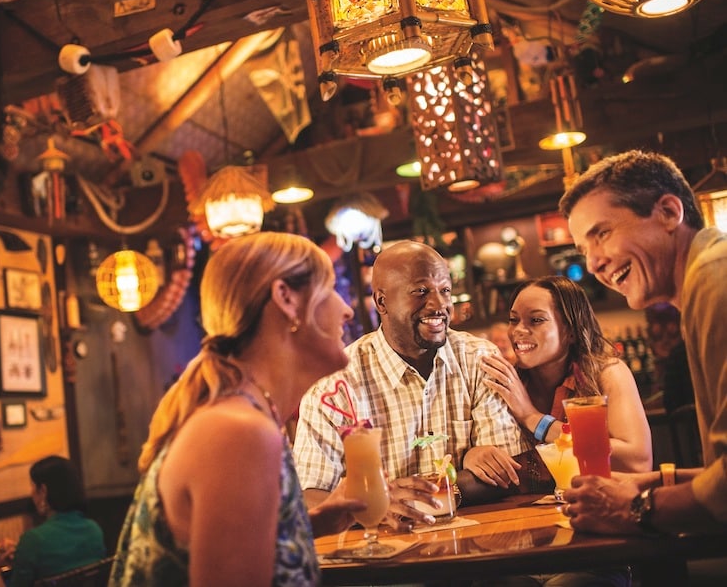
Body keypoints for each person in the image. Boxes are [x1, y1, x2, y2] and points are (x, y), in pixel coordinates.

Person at [109, 232, 370, 586]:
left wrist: (307, 527)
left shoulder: (244, 415)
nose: (347, 308)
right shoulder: (239, 432)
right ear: (286, 298)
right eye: (329, 288)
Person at [293, 240, 531, 527]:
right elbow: (310, 495)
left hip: (480, 552)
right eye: (421, 291)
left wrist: (415, 498)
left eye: (445, 291)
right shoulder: (334, 385)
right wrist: (376, 503)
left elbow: (506, 472)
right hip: (385, 560)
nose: (439, 305)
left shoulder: (479, 359)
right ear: (382, 301)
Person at [559, 149, 727, 535]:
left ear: (669, 213)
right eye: (584, 251)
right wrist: (654, 483)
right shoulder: (704, 281)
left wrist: (635, 507)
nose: (593, 264)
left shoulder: (716, 280)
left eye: (601, 234)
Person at [481, 276, 652, 475]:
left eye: (536, 320)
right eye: (513, 320)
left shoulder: (607, 373)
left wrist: (533, 418)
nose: (518, 330)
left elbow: (637, 461)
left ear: (571, 330)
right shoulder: (507, 383)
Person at [0, 455, 105, 586]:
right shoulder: (94, 530)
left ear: (43, 491)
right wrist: (21, 559)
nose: (31, 493)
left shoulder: (33, 540)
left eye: (33, 487)